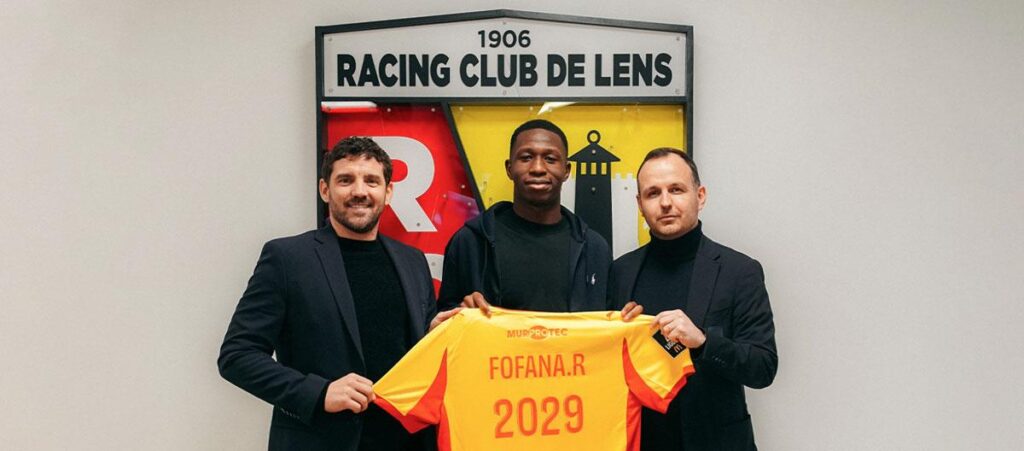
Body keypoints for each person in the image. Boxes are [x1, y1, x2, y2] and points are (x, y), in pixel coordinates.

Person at [218, 137, 458, 450]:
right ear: (325, 189)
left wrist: (433, 334)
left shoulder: (411, 261)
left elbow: (409, 350)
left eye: (371, 181)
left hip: (407, 442)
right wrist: (318, 393)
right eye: (346, 180)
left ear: (388, 191)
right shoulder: (287, 258)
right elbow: (237, 355)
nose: (359, 191)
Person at [610, 148, 778, 451]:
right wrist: (618, 334)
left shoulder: (740, 271)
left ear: (700, 196)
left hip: (717, 442)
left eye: (676, 189)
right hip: (642, 441)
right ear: (640, 205)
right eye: (653, 193)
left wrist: (702, 343)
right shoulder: (620, 272)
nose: (665, 202)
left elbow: (763, 367)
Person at [438, 119, 637, 318]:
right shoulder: (470, 242)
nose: (538, 168)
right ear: (509, 168)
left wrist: (630, 320)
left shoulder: (595, 249)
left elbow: (608, 321)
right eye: (526, 157)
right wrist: (460, 312)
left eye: (550, 159)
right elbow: (442, 323)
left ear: (566, 171)